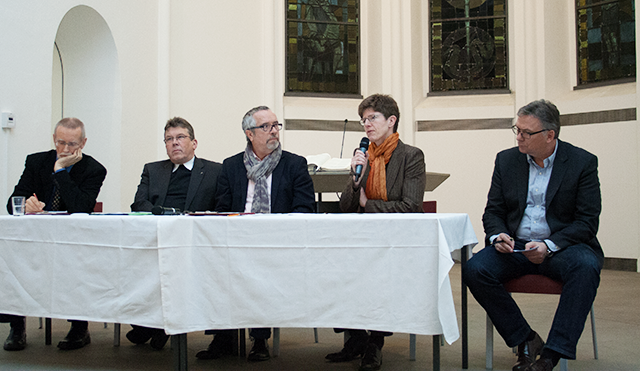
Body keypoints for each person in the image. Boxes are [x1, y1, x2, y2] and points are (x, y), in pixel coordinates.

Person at [463, 99, 603, 371]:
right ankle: (525, 339)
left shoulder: (582, 162)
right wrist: (498, 236)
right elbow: (493, 211)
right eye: (517, 130)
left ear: (550, 135)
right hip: (517, 247)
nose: (519, 137)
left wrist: (549, 246)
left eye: (526, 132)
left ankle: (552, 355)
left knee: (586, 266)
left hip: (562, 247)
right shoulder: (507, 160)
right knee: (475, 269)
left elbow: (587, 222)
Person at [195, 106, 315, 362]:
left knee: (262, 269)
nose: (274, 131)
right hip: (238, 237)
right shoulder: (231, 166)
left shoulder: (294, 164)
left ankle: (259, 339)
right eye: (266, 126)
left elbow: (304, 208)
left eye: (276, 125)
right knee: (216, 264)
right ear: (249, 134)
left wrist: (277, 230)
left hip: (278, 240)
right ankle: (223, 336)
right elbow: (222, 208)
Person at [326, 94, 426, 371]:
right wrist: (356, 178)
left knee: (379, 274)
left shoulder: (411, 156)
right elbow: (346, 206)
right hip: (360, 237)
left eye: (372, 118)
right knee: (332, 267)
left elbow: (411, 206)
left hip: (394, 240)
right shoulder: (363, 155)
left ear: (391, 120)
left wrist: (368, 204)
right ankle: (356, 337)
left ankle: (375, 344)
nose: (366, 125)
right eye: (363, 120)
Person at [4, 117, 107, 351]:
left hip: (73, 239)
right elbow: (12, 202)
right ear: (54, 139)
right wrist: (25, 205)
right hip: (36, 237)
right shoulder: (36, 161)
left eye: (73, 144)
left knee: (79, 262)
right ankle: (16, 326)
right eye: (61, 143)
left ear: (84, 142)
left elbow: (81, 207)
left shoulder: (93, 169)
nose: (66, 149)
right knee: (12, 257)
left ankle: (79, 327)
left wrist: (60, 171)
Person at [128, 116, 222, 350]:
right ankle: (155, 324)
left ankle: (157, 326)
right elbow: (139, 204)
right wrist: (161, 216)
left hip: (197, 243)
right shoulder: (153, 170)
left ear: (194, 143)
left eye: (180, 137)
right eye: (169, 139)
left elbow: (222, 208)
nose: (174, 143)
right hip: (158, 238)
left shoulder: (214, 171)